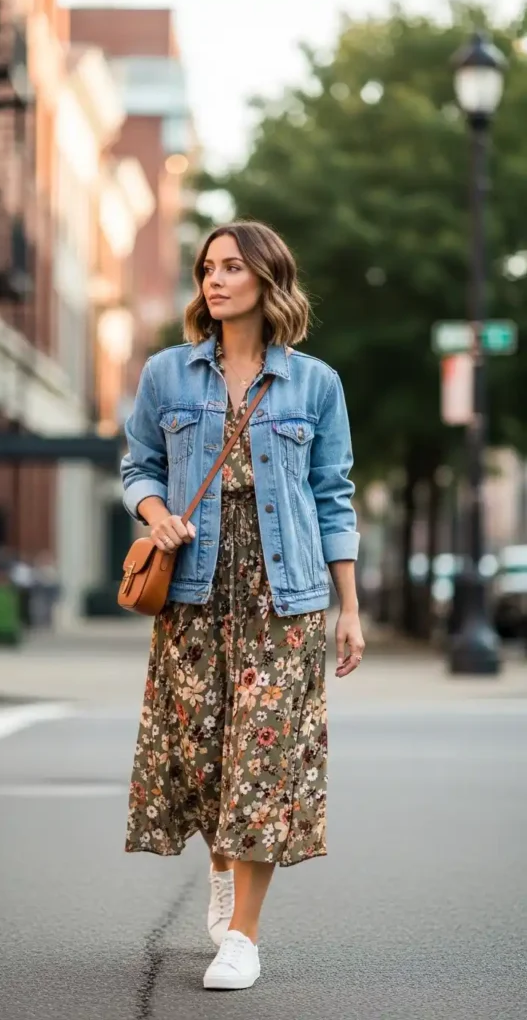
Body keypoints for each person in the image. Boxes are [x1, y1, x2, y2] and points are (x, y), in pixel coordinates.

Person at [121, 220, 364, 991]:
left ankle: (243, 937)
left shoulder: (315, 385)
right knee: (201, 761)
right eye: (205, 268)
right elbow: (138, 465)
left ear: (267, 279)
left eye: (230, 267)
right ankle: (221, 867)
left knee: (261, 765)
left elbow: (333, 498)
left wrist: (347, 608)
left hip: (282, 597)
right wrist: (154, 511)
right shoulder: (167, 374)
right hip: (192, 593)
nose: (214, 280)